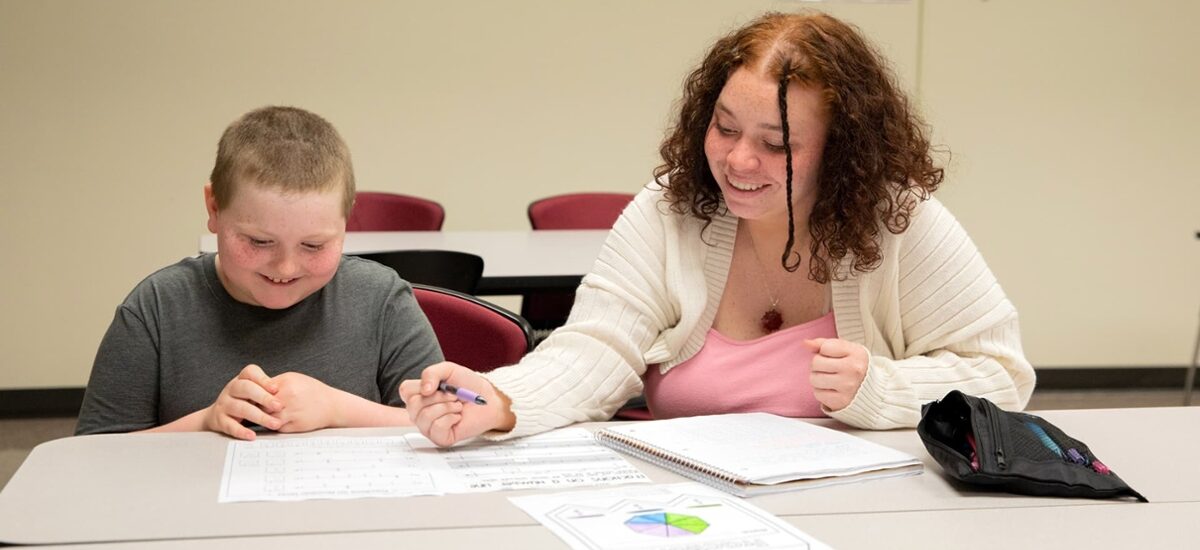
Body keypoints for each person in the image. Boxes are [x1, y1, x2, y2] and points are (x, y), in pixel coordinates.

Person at [402, 11, 1035, 446]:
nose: (737, 161)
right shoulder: (670, 208)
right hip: (691, 510)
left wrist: (881, 387)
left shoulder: (898, 220)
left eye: (775, 144)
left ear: (843, 151)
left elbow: (1003, 377)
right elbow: (596, 348)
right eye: (725, 128)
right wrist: (500, 400)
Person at [76, 106, 443, 440]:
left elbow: (445, 423)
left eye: (313, 246)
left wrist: (338, 410)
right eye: (259, 241)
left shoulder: (380, 300)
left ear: (346, 221)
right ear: (214, 208)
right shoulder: (156, 309)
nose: (285, 268)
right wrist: (205, 423)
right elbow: (92, 455)